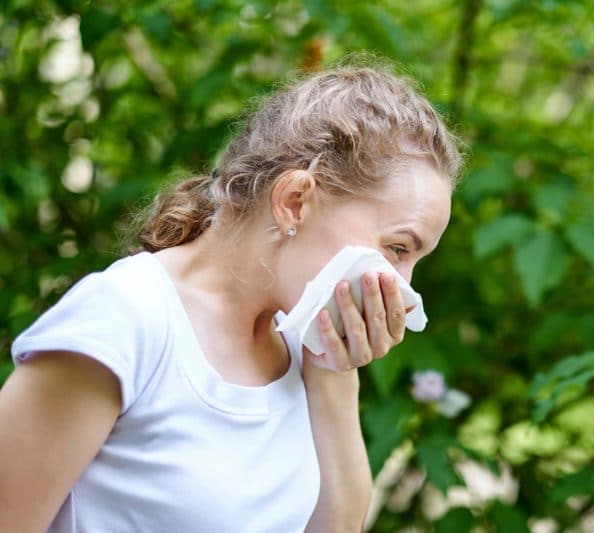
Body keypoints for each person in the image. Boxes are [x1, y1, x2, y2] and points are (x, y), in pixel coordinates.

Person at [0, 65, 462, 532]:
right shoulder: (125, 317)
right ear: (295, 201)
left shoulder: (304, 347)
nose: (405, 289)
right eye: (398, 249)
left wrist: (335, 377)